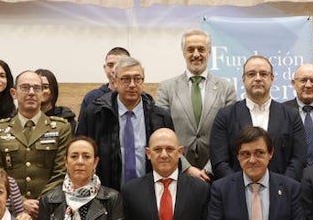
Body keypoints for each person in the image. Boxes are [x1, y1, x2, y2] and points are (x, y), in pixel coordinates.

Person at [75, 56, 176, 189]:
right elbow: (79, 154)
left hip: (150, 194)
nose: (132, 84)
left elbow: (172, 160)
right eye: (126, 79)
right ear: (115, 81)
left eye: (137, 79)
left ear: (143, 81)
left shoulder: (160, 117)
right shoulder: (95, 115)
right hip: (105, 193)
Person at [153, 29, 238, 179]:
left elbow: (230, 133)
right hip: (178, 173)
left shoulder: (227, 88)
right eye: (190, 49)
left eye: (201, 49)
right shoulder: (166, 89)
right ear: (183, 53)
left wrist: (209, 169)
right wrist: (186, 168)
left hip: (217, 174)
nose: (196, 54)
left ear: (209, 52)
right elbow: (162, 133)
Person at [209, 56, 307, 181]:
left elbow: (298, 159)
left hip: (282, 194)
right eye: (251, 74)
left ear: (272, 79)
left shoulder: (291, 115)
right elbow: (219, 161)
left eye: (263, 74)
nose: (258, 78)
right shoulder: (225, 116)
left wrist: (282, 187)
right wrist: (237, 188)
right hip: (236, 194)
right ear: (243, 79)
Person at [0, 70, 71, 218]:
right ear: (14, 93)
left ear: (43, 94)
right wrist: (20, 202)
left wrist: (42, 202)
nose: (31, 93)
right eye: (25, 88)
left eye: (37, 88)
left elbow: (61, 173)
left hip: (50, 209)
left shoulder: (61, 128)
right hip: (11, 210)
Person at [80, 46, 132, 112]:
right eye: (110, 65)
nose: (114, 70)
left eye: (119, 65)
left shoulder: (140, 98)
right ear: (105, 68)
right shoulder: (92, 98)